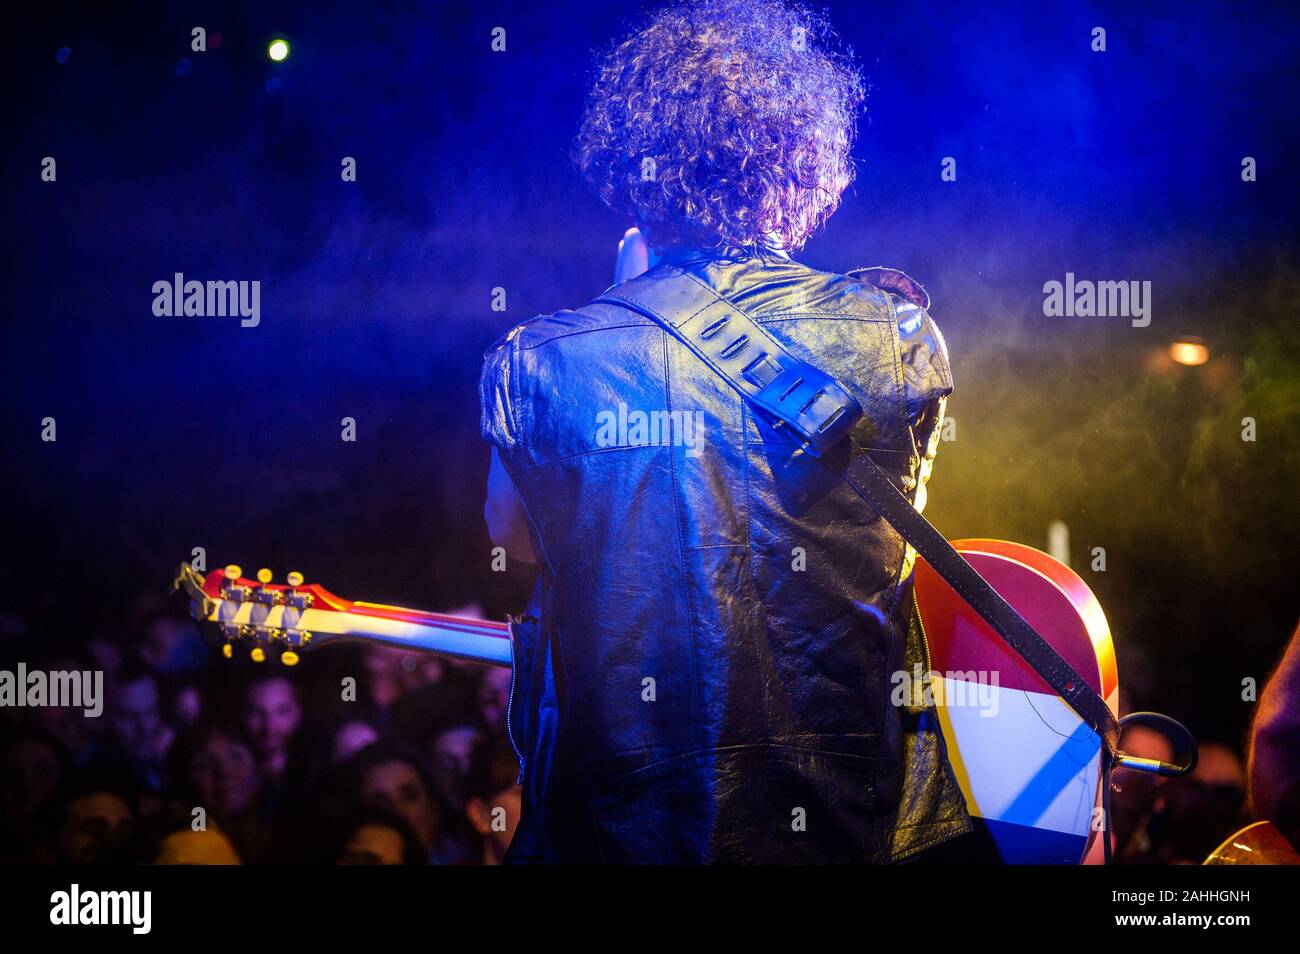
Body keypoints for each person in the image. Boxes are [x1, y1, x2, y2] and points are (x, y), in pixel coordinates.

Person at [480, 0, 965, 862]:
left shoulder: (543, 361)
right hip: (846, 828)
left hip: (623, 835)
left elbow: (514, 540)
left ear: (635, 169)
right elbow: (895, 544)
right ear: (806, 160)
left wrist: (624, 297)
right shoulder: (896, 336)